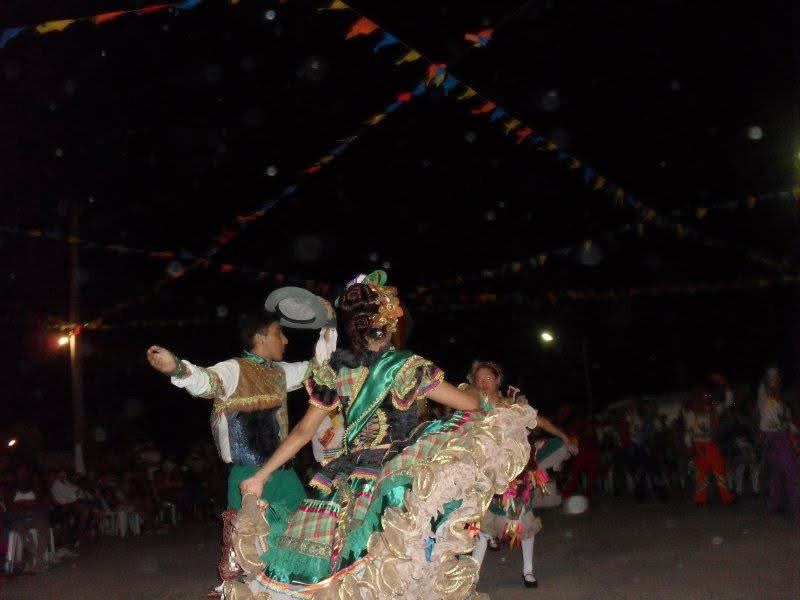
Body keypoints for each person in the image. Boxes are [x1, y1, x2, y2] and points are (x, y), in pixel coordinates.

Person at [227, 272, 536, 599]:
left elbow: (303, 431)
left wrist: (261, 475)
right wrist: (478, 395)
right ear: (387, 325)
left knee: (342, 570)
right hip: (396, 476)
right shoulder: (405, 367)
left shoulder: (335, 371)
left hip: (346, 479)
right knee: (399, 566)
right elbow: (470, 405)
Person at [146, 302, 336, 592]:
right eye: (279, 333)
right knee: (247, 564)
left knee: (304, 550)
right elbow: (205, 381)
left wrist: (329, 325)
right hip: (248, 480)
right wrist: (178, 368)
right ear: (260, 337)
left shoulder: (280, 373)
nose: (285, 340)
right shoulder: (233, 369)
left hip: (284, 476)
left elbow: (322, 365)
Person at [465, 360, 577, 589]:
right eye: (479, 379)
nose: (483, 383)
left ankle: (528, 571)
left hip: (517, 475)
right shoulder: (471, 407)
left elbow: (540, 421)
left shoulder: (512, 406)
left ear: (498, 380)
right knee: (483, 528)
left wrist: (565, 437)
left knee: (524, 522)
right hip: (488, 475)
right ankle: (472, 577)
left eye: (488, 378)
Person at [757, 367, 799, 519]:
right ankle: (796, 507)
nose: (778, 386)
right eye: (775, 383)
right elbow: (766, 428)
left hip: (780, 439)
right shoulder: (769, 403)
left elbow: (786, 423)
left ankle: (774, 504)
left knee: (779, 474)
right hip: (775, 440)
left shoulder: (779, 403)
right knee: (791, 472)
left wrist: (793, 430)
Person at [684, 387, 735, 506]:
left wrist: (726, 387)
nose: (706, 398)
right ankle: (700, 499)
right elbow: (688, 433)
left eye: (708, 396)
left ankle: (726, 498)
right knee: (702, 473)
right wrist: (689, 446)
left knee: (719, 469)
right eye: (704, 396)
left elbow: (729, 403)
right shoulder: (692, 413)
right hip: (699, 445)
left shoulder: (713, 410)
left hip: (711, 444)